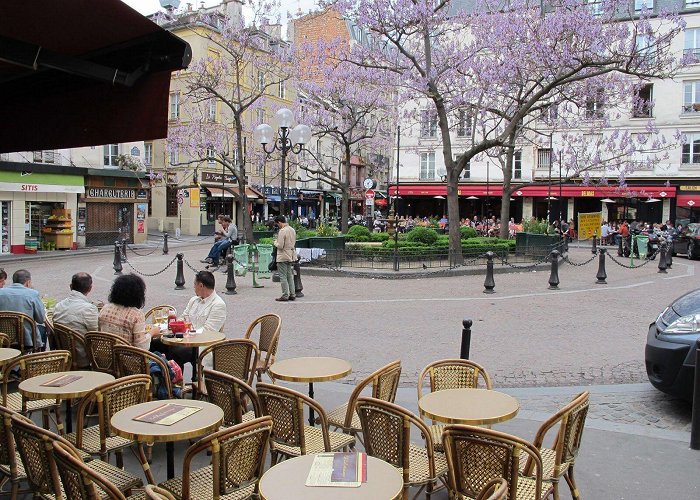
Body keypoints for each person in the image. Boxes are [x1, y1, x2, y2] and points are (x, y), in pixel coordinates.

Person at [150, 270, 226, 371]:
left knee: (176, 351)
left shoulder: (218, 304)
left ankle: (175, 381)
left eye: (195, 284)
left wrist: (187, 333)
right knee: (155, 344)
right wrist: (174, 324)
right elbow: (183, 317)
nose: (193, 287)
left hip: (202, 345)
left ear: (201, 285)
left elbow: (208, 331)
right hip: (184, 339)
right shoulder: (194, 300)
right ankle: (159, 376)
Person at [99, 273, 160, 350]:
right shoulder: (136, 315)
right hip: (128, 358)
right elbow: (142, 347)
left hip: (106, 356)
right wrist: (152, 332)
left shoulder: (105, 308)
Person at [52, 272, 98, 367]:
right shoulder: (88, 309)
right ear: (90, 288)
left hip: (64, 353)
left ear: (70, 286)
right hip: (84, 356)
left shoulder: (58, 305)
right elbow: (96, 334)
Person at [0, 269, 46, 350]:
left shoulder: (1, 292)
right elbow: (41, 319)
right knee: (42, 329)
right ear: (28, 282)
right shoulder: (32, 294)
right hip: (27, 341)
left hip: (4, 339)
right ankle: (38, 358)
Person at [273, 215, 297, 302]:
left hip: (283, 256)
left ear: (279, 222)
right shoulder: (292, 229)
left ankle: (285, 295)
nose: (277, 226)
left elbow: (280, 245)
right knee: (289, 276)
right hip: (290, 255)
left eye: (277, 224)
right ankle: (292, 293)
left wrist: (275, 242)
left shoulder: (282, 231)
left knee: (283, 276)